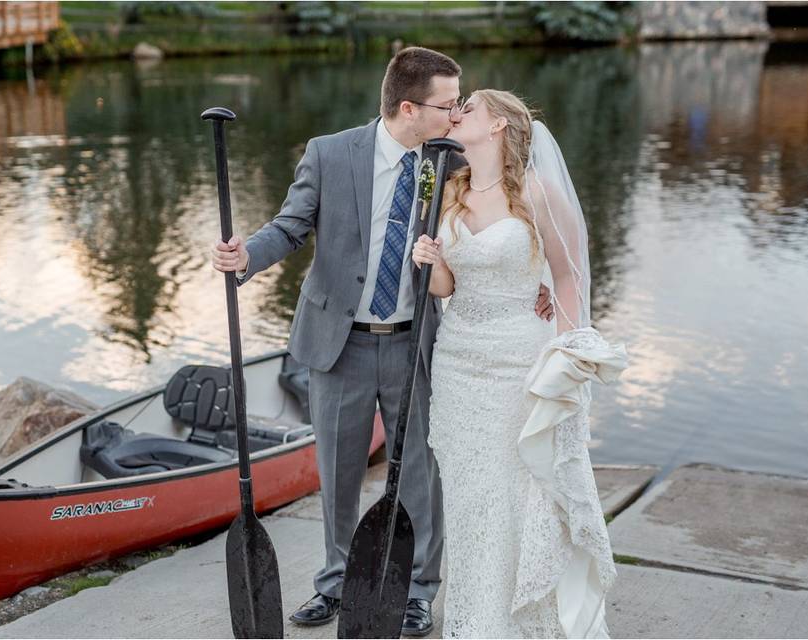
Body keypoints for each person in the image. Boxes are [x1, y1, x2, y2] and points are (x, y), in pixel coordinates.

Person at [211, 50, 555, 636]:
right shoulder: (329, 152)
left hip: (415, 342)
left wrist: (539, 280)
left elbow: (512, 210)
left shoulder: (451, 163)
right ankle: (337, 582)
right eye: (448, 105)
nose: (456, 114)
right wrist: (247, 258)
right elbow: (291, 226)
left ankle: (418, 588)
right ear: (407, 107)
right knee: (339, 469)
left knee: (420, 470)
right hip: (337, 343)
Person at [412, 90, 629, 638]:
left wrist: (566, 351)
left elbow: (569, 276)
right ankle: (477, 621)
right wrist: (429, 261)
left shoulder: (536, 191)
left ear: (500, 125)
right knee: (469, 497)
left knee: (519, 490)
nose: (456, 112)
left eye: (470, 107)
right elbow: (446, 288)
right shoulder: (451, 190)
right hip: (458, 364)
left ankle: (529, 620)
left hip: (518, 363)